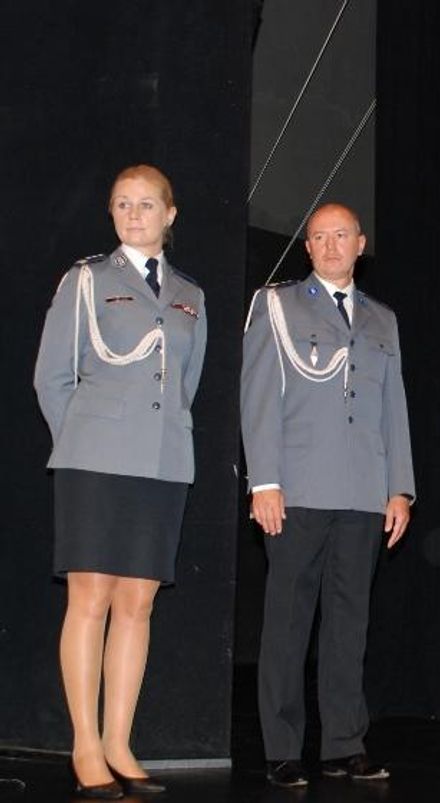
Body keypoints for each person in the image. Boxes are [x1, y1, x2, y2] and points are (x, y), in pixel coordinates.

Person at [34, 164, 207, 799]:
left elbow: (185, 386)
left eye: (145, 204)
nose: (133, 214)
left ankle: (118, 741)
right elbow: (51, 379)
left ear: (170, 214)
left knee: (137, 604)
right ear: (112, 214)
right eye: (121, 204)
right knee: (91, 599)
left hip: (161, 463)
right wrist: (86, 440)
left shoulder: (191, 294)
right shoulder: (85, 282)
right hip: (94, 461)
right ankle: (84, 744)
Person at [241, 203, 415, 788]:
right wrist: (263, 480)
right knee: (287, 622)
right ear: (307, 247)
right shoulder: (277, 305)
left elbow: (395, 410)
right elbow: (259, 397)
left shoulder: (383, 320)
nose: (331, 245)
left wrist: (400, 489)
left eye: (342, 235)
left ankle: (344, 744)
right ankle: (283, 748)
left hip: (364, 492)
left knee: (349, 623)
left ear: (360, 244)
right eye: (319, 236)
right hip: (297, 490)